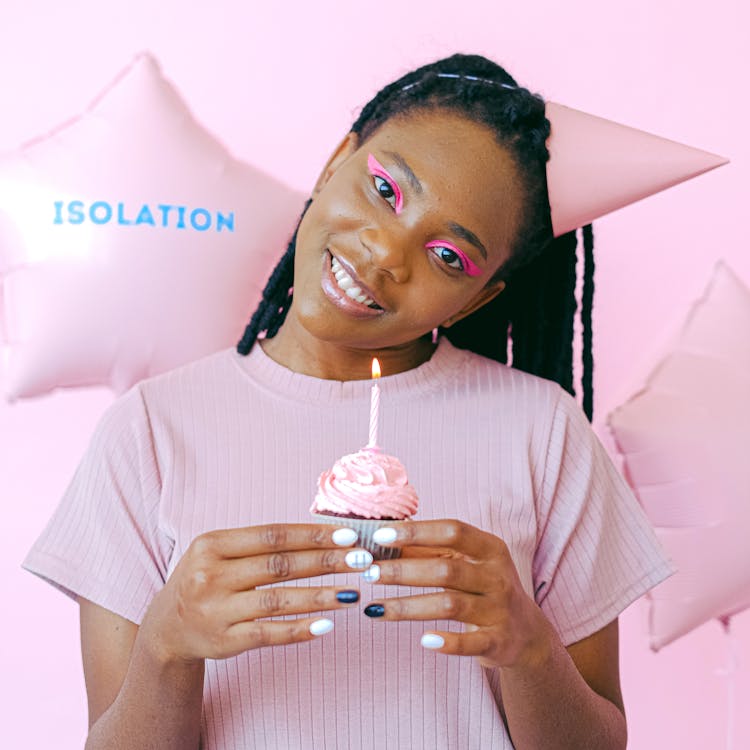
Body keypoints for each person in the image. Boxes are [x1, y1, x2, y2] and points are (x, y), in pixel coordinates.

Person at [24, 53, 674, 749]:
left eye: (449, 256)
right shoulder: (148, 430)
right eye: (387, 190)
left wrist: (530, 647)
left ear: (478, 300)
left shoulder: (543, 432)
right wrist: (167, 647)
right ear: (338, 159)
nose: (386, 253)